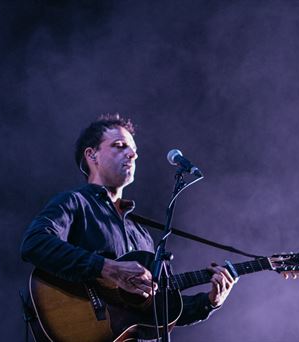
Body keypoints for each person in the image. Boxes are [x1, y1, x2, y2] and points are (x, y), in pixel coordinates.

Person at [20, 114, 236, 334]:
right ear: (91, 155)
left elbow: (159, 309)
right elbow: (34, 243)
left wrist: (209, 302)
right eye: (120, 146)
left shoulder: (141, 234)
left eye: (133, 150)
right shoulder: (76, 202)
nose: (132, 154)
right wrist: (108, 268)